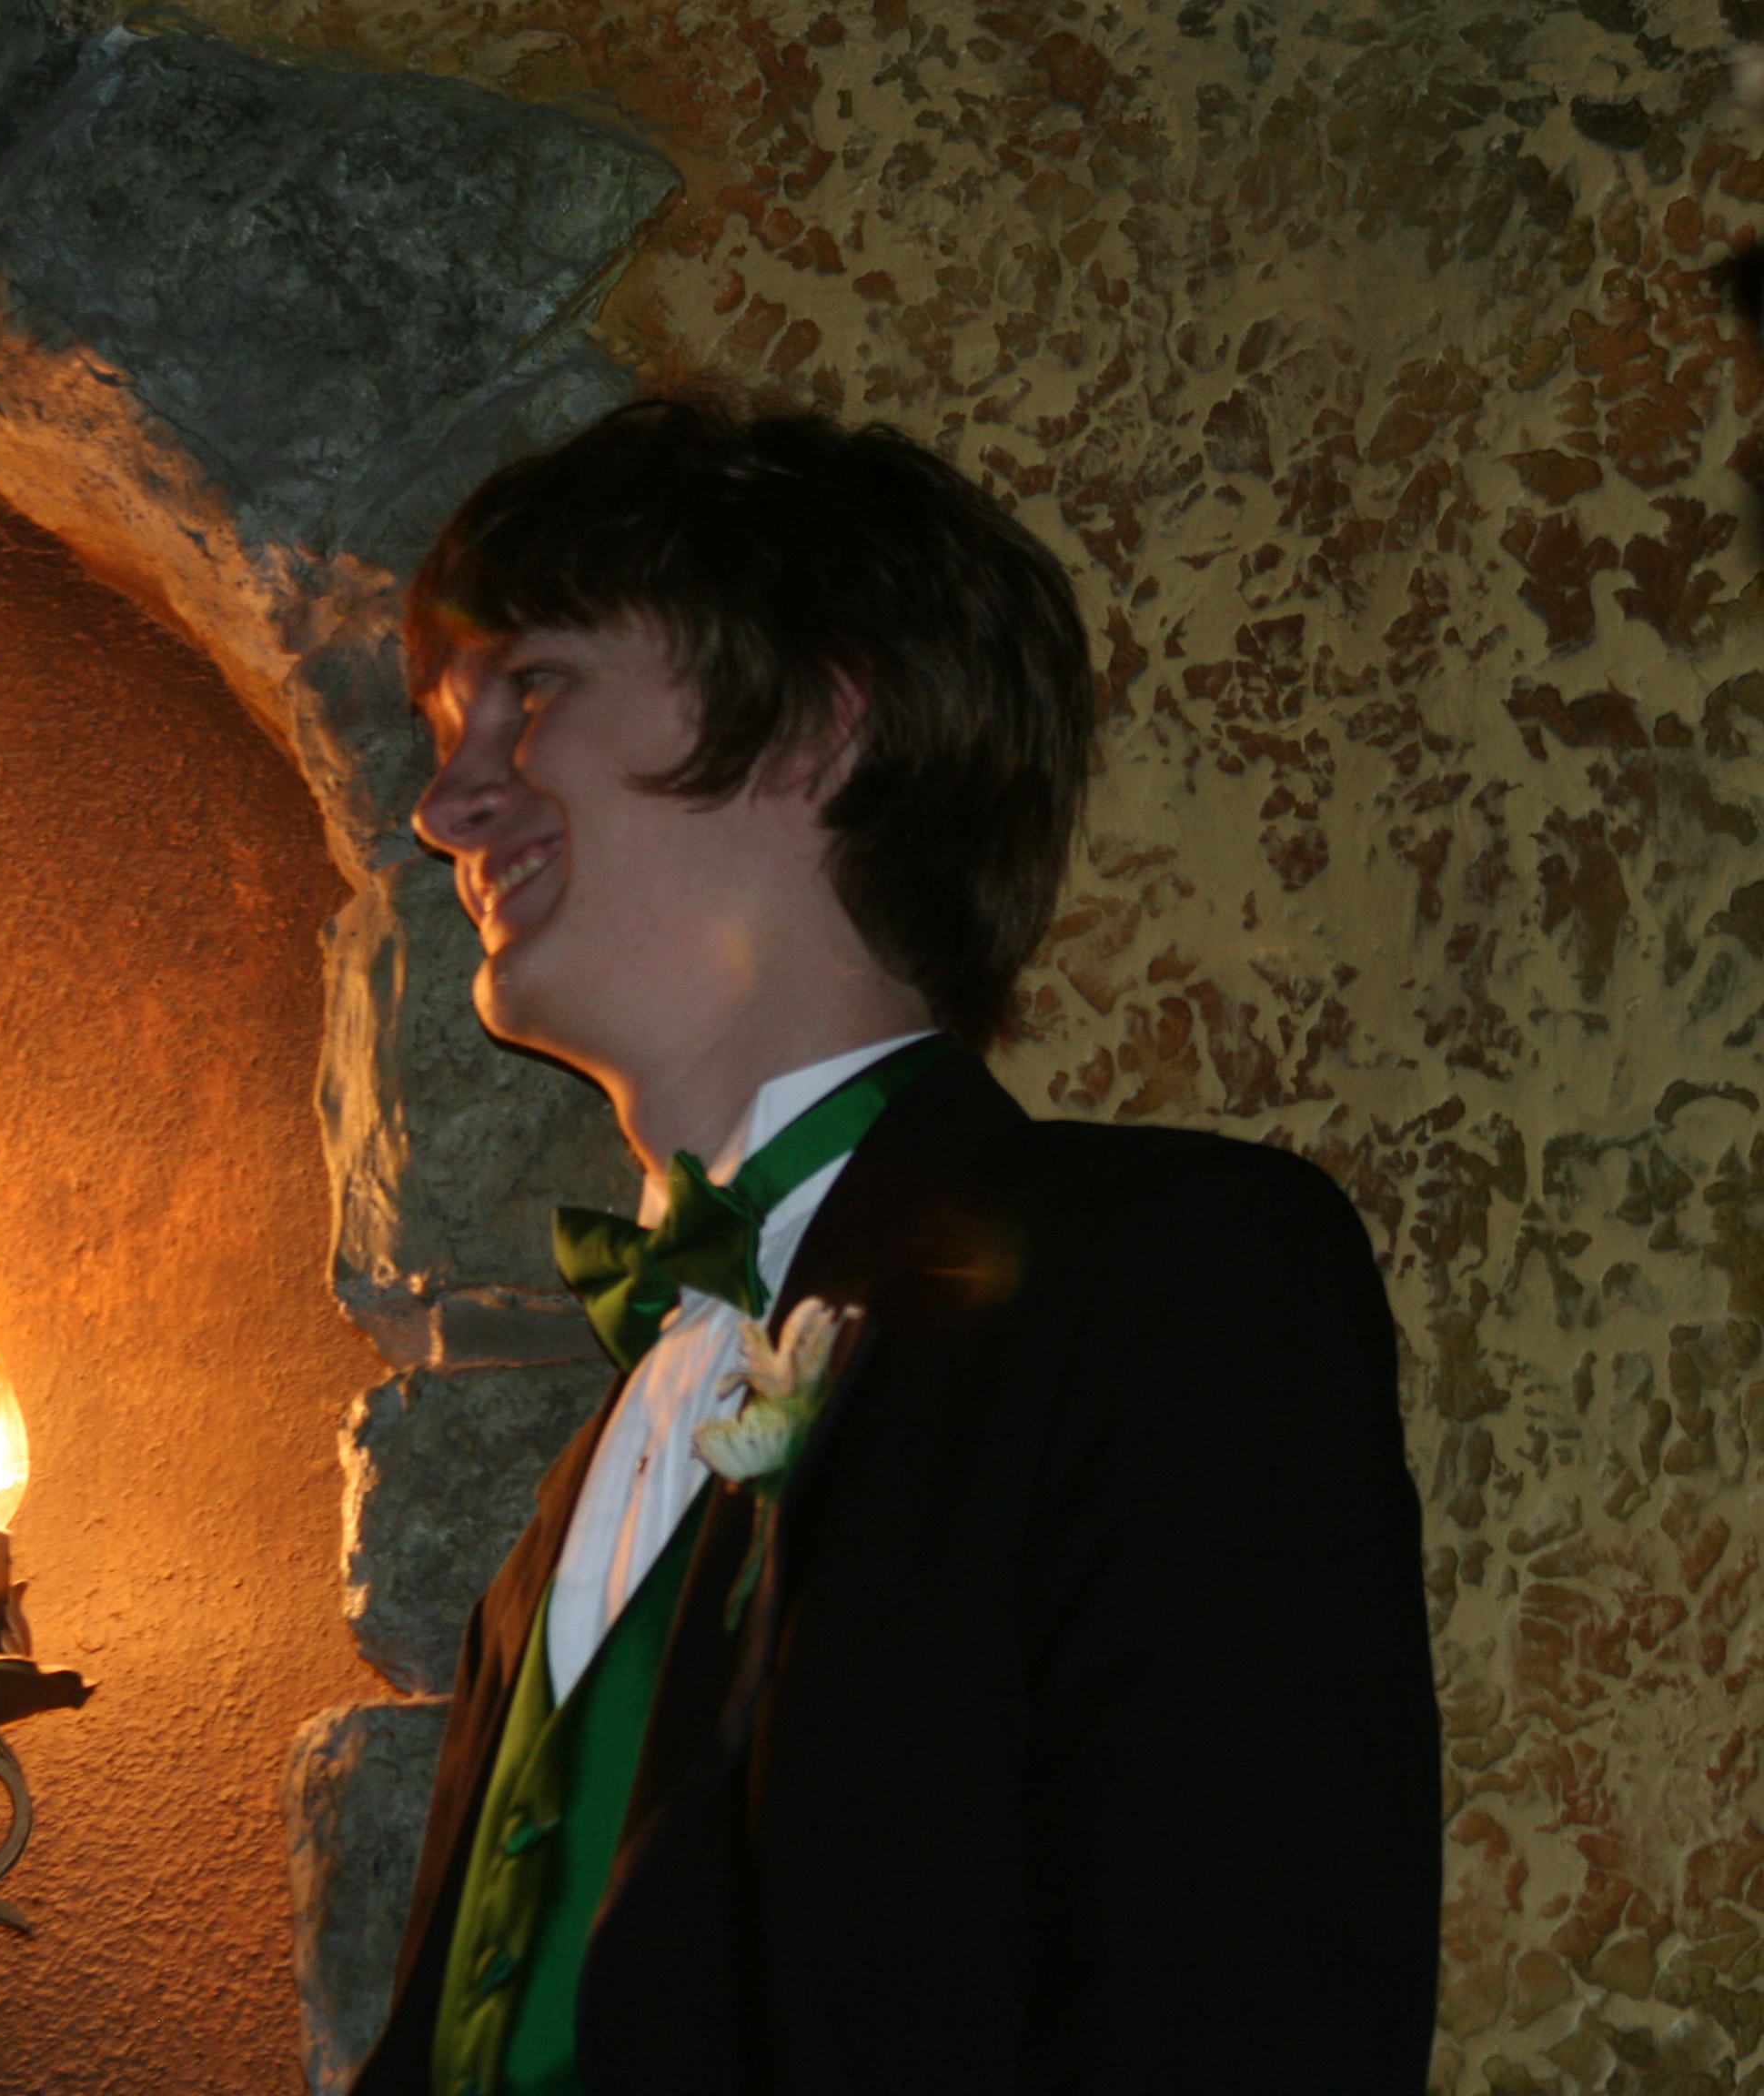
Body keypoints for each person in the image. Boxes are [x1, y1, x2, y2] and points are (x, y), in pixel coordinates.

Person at [352, 398, 1440, 2095]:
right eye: (446, 729)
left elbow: (1238, 2016)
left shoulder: (1168, 1279)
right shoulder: (581, 1493)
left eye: (534, 686)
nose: (446, 804)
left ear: (817, 724)